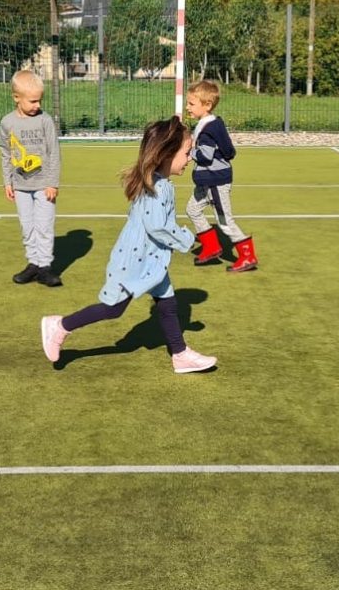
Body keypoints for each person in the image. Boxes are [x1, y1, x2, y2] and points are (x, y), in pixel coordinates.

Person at [41, 117, 217, 374]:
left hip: (152, 260)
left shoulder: (162, 184)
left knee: (168, 304)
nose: (190, 158)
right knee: (113, 309)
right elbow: (158, 226)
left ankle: (180, 354)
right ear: (167, 154)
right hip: (134, 260)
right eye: (187, 152)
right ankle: (60, 325)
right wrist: (191, 240)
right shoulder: (156, 188)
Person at [184, 80, 258, 272]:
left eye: (191, 104)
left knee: (224, 222)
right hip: (206, 181)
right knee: (192, 210)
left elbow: (205, 157)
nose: (187, 107)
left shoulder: (208, 130)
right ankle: (211, 247)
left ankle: (247, 256)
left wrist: (188, 152)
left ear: (207, 105)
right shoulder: (210, 124)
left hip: (215, 181)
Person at [0, 69, 62, 287]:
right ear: (17, 98)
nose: (37, 105)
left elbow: (54, 152)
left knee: (44, 226)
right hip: (20, 186)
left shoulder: (45, 121)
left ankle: (45, 267)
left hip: (44, 185)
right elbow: (6, 153)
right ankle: (33, 264)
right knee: (27, 227)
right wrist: (7, 181)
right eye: (33, 101)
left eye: (39, 100)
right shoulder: (7, 122)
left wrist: (52, 183)